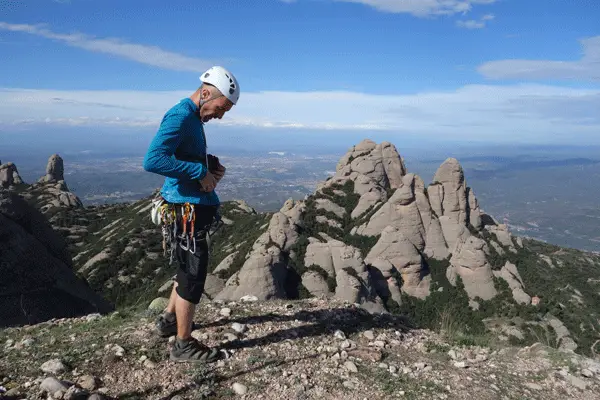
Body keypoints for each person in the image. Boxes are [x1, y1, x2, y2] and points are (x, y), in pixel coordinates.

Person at [143, 66, 240, 363]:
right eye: (220, 108)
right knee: (192, 276)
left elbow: (180, 158)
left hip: (189, 207)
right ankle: (183, 344)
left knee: (185, 269)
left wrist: (208, 168)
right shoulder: (181, 115)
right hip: (185, 211)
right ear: (206, 93)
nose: (220, 115)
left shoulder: (192, 117)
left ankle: (170, 320)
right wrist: (199, 170)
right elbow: (153, 159)